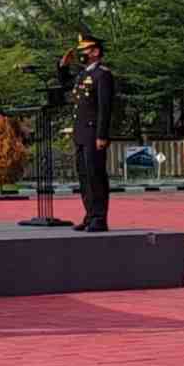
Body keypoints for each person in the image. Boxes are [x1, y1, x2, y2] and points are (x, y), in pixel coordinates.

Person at [58, 32, 115, 232]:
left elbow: (104, 107)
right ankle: (90, 215)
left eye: (85, 50)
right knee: (84, 176)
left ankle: (99, 218)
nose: (81, 54)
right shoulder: (84, 75)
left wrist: (102, 135)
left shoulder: (103, 74)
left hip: (93, 133)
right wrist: (63, 67)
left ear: (96, 52)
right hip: (81, 133)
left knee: (95, 175)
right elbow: (65, 85)